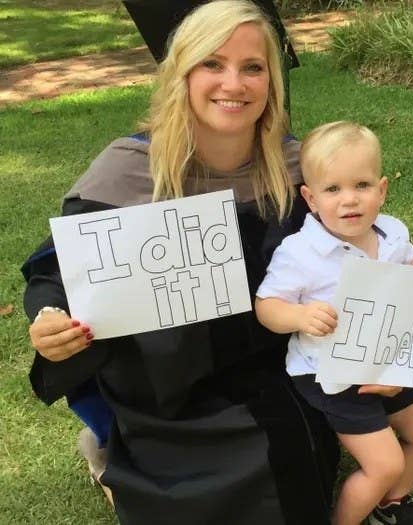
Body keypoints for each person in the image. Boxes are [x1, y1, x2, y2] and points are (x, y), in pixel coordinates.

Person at [22, 2, 341, 523]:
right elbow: (56, 272)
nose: (233, 83)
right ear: (181, 75)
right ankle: (107, 452)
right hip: (164, 382)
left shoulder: (293, 166)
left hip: (267, 366)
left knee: (295, 480)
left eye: (252, 67)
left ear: (272, 81)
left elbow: (349, 246)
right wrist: (49, 320)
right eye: (212, 64)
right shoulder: (127, 170)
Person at [255, 121, 413, 525]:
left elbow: (407, 280)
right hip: (330, 373)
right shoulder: (301, 252)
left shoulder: (393, 234)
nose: (349, 200)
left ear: (382, 189)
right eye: (332, 189)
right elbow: (266, 306)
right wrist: (299, 316)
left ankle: (389, 506)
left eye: (361, 185)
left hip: (384, 358)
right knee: (385, 463)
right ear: (310, 197)